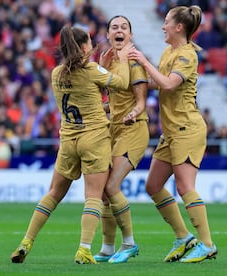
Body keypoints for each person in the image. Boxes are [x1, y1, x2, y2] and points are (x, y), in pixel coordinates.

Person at [10, 25, 133, 264]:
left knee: (54, 193)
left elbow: (86, 94)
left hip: (68, 139)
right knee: (94, 197)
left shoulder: (56, 73)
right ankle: (84, 249)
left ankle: (26, 241)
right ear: (84, 47)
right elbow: (122, 83)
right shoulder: (90, 68)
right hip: (94, 138)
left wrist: (100, 68)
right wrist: (125, 58)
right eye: (89, 42)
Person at [128, 5, 218, 263]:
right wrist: (134, 77)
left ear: (179, 27)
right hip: (171, 131)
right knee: (153, 186)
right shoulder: (170, 51)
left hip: (187, 129)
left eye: (166, 22)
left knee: (185, 186)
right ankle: (183, 237)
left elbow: (168, 84)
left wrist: (143, 61)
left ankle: (207, 244)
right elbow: (158, 82)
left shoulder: (188, 55)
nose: (163, 26)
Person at [93, 15, 149, 264]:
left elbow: (140, 101)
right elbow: (112, 104)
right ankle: (107, 247)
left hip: (134, 129)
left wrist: (134, 112)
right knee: (104, 192)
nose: (119, 30)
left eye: (124, 27)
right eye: (114, 27)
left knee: (111, 186)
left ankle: (129, 243)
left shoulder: (134, 61)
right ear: (107, 35)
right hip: (114, 130)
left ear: (131, 35)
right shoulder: (110, 64)